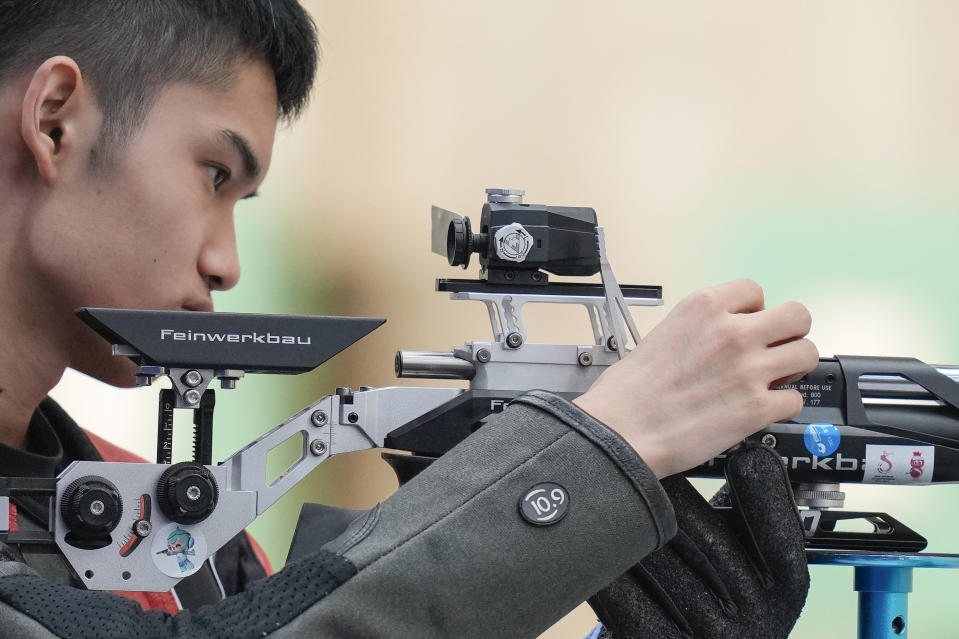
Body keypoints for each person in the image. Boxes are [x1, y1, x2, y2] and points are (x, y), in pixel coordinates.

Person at [0, 1, 819, 637]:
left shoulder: (163, 529)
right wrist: (599, 455)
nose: (226, 263)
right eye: (215, 173)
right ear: (55, 119)